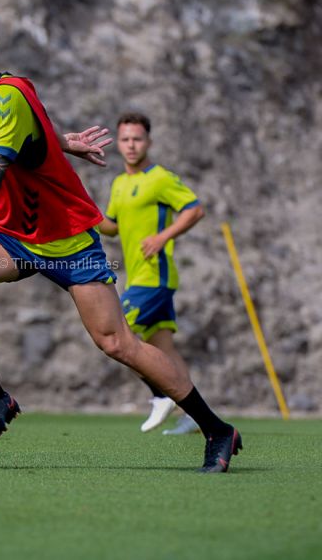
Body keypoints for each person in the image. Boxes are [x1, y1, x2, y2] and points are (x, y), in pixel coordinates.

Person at [0, 8, 241, 472]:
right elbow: (30, 127)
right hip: (14, 234)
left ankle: (217, 429)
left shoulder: (5, 96)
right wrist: (62, 141)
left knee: (118, 343)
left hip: (66, 242)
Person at [98, 113, 202, 436]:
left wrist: (162, 237)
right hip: (139, 277)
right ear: (118, 142)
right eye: (126, 139)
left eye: (137, 139)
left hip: (155, 277)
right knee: (164, 351)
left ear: (149, 142)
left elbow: (194, 209)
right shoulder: (119, 183)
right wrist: (83, 213)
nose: (131, 145)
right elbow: (111, 228)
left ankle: (160, 395)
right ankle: (197, 417)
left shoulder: (159, 178)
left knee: (118, 330)